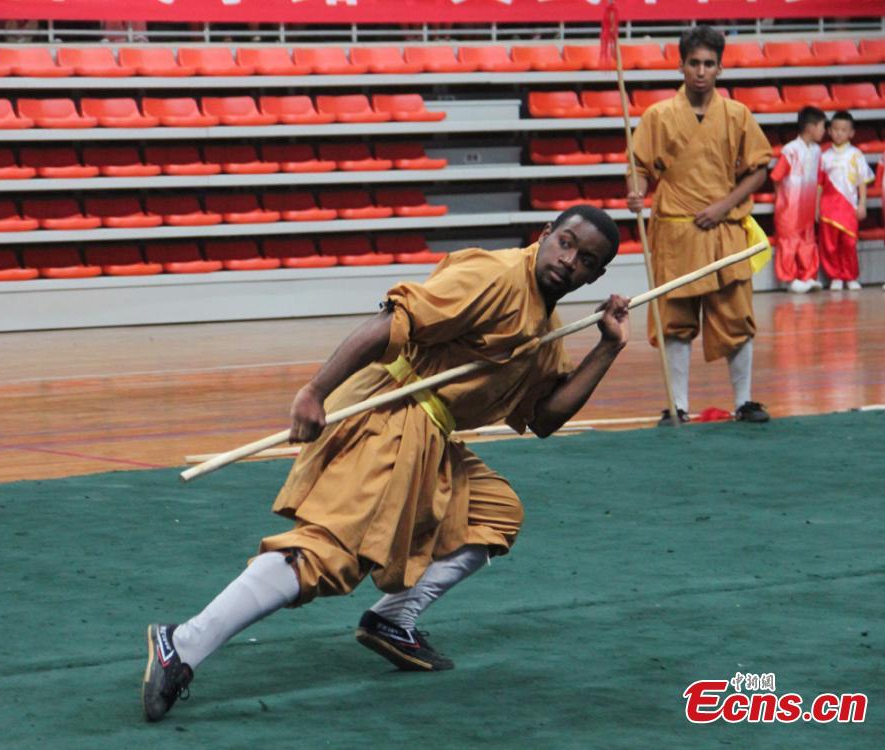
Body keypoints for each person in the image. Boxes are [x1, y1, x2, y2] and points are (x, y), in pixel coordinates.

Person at [141, 205, 631, 722]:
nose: (569, 261)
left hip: (431, 436)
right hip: (391, 415)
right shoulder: (496, 277)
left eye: (586, 260)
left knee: (495, 512)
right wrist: (314, 391)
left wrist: (607, 347)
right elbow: (391, 322)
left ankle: (391, 620)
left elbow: (546, 417)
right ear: (546, 234)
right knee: (328, 555)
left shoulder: (546, 324)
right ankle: (182, 643)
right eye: (566, 243)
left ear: (595, 277)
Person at [626, 25, 772, 425]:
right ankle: (679, 406)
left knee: (736, 317)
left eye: (709, 63)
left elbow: (759, 169)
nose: (701, 71)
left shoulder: (738, 114)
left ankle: (744, 401)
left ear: (720, 68)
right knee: (675, 320)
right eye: (694, 63)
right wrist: (637, 191)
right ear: (681, 65)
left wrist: (724, 206)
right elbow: (639, 165)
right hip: (676, 230)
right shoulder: (658, 116)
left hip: (725, 229)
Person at [770, 106, 826, 294]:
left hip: (807, 206)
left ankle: (807, 275)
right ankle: (789, 278)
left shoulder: (817, 150)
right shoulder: (790, 150)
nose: (824, 131)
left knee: (808, 241)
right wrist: (782, 202)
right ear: (810, 127)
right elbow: (777, 177)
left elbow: (818, 179)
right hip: (790, 208)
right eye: (822, 127)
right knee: (788, 242)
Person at [817, 110, 874, 291]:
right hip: (828, 207)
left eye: (844, 130)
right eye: (835, 129)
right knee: (830, 245)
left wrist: (862, 204)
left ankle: (850, 276)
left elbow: (862, 182)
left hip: (849, 207)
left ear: (851, 133)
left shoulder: (856, 155)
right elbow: (819, 184)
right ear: (829, 131)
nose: (839, 133)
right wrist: (816, 207)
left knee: (849, 243)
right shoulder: (824, 156)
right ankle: (835, 276)